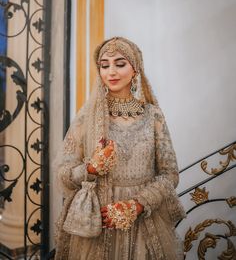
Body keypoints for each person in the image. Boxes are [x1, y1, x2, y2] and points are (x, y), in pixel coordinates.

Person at [54, 37, 186, 260]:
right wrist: (91, 169)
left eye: (120, 63)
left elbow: (169, 174)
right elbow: (64, 175)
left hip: (143, 222)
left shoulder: (153, 115)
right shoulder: (87, 118)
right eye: (104, 65)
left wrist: (137, 205)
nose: (111, 72)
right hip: (99, 223)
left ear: (135, 69)